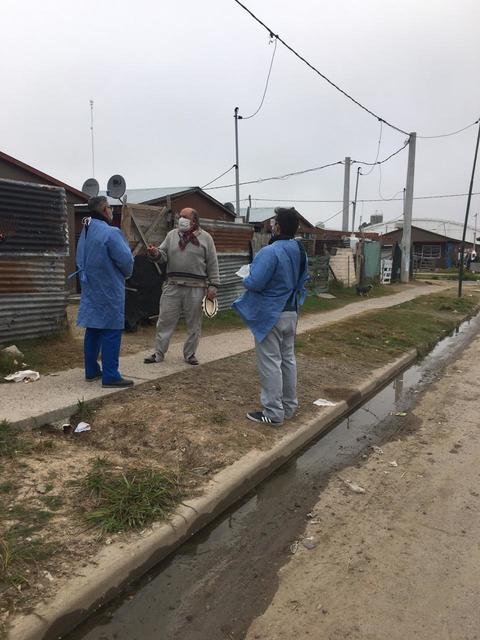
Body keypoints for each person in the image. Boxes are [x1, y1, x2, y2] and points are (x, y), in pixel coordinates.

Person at [233, 207, 309, 426]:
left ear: (278, 227)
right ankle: (289, 407)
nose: (272, 226)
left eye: (274, 223)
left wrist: (245, 277)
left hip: (271, 314)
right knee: (288, 360)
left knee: (270, 363)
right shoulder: (300, 250)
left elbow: (256, 283)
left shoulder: (270, 251)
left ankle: (273, 413)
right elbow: (304, 279)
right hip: (291, 312)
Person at [145, 207, 219, 365]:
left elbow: (213, 263)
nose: (181, 219)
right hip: (172, 285)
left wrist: (213, 287)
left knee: (194, 324)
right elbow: (162, 255)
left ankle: (190, 354)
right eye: (180, 216)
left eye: (185, 217)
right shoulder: (172, 235)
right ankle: (158, 353)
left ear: (194, 221)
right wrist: (154, 253)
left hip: (196, 288)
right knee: (164, 321)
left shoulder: (206, 238)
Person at [76, 196, 134, 387]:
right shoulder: (111, 232)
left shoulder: (85, 231)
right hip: (109, 287)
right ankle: (111, 375)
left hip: (90, 286)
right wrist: (126, 273)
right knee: (111, 329)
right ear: (104, 209)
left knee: (93, 328)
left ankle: (91, 371)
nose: (111, 211)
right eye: (109, 207)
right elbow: (126, 261)